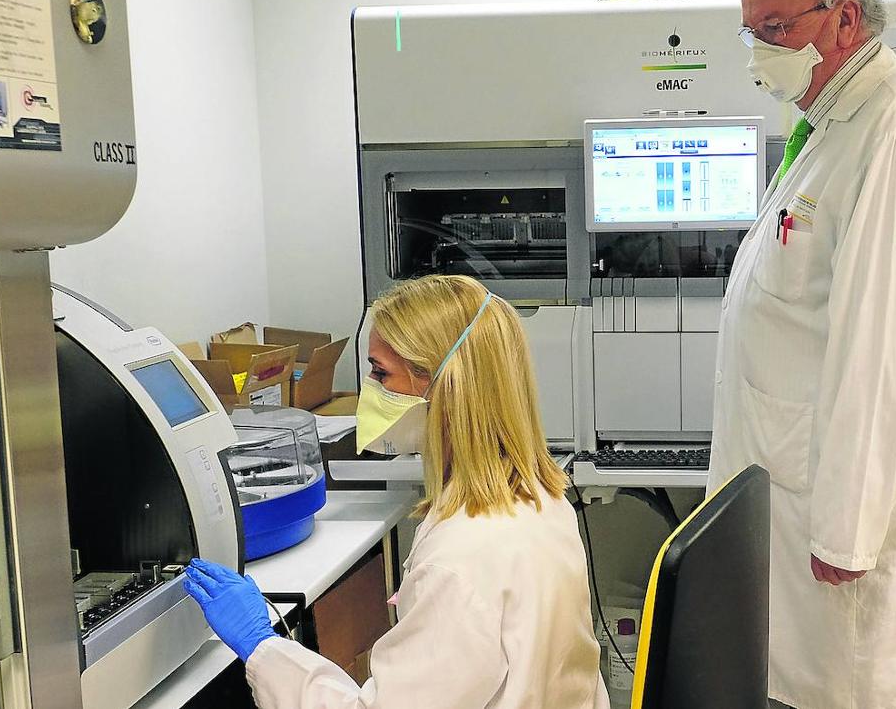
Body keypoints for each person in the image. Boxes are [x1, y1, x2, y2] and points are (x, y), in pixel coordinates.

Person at [707, 0, 896, 708]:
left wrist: (847, 532)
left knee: (842, 685)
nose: (760, 50)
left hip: (835, 524)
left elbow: (884, 347)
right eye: (750, 32)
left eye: (776, 29)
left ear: (844, 19)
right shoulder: (829, 127)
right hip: (787, 490)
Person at [186, 274, 611, 709]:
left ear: (442, 383)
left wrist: (263, 646)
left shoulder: (459, 560)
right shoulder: (543, 500)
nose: (369, 390)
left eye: (379, 372)